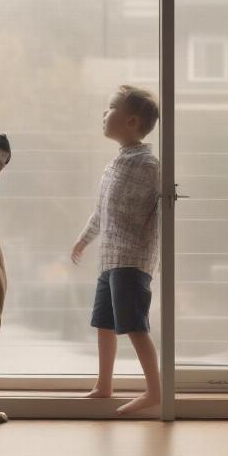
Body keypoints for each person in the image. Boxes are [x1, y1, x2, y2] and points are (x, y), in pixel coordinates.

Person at [71, 84, 161, 415]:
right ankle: (104, 384)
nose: (103, 114)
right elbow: (101, 212)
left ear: (132, 121)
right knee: (104, 322)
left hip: (132, 260)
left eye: (110, 108)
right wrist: (83, 239)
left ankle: (155, 391)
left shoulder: (148, 165)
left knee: (134, 325)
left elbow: (161, 209)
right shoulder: (115, 165)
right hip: (109, 260)